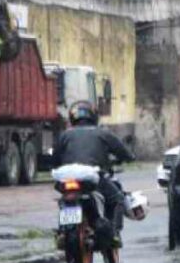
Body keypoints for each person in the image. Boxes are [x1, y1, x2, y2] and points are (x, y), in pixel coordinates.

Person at [53, 100, 135, 245]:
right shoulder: (102, 133)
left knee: (64, 201)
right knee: (117, 199)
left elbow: (55, 158)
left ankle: (62, 231)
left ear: (73, 118)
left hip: (66, 178)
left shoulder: (65, 135)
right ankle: (114, 234)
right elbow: (124, 152)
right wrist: (129, 157)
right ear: (93, 116)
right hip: (92, 177)